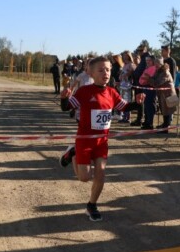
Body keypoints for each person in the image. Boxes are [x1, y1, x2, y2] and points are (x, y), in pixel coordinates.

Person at [59, 56, 141, 221]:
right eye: (101, 70)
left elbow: (124, 107)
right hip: (84, 141)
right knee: (84, 178)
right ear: (91, 72)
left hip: (102, 142)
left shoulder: (111, 92)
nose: (106, 73)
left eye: (108, 70)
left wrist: (137, 103)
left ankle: (92, 205)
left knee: (101, 174)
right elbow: (66, 107)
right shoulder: (84, 91)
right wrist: (64, 97)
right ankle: (72, 153)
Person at [148, 58, 177, 133]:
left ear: (161, 64)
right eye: (155, 63)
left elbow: (157, 82)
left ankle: (166, 128)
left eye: (157, 63)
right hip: (163, 93)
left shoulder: (165, 72)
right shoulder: (159, 71)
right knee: (164, 110)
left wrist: (149, 79)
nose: (155, 65)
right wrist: (151, 79)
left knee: (168, 111)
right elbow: (154, 80)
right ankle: (165, 124)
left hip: (168, 94)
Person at [139, 56, 157, 130]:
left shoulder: (154, 68)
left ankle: (150, 123)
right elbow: (142, 78)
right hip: (145, 87)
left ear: (153, 61)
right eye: (146, 60)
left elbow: (149, 78)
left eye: (149, 60)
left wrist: (146, 78)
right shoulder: (147, 68)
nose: (147, 62)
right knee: (146, 105)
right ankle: (146, 121)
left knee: (149, 105)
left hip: (150, 88)